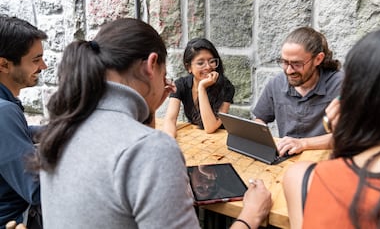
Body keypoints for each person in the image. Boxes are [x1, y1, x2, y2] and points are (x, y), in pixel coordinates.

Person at [35, 18, 271, 229]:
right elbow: (143, 151)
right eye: (163, 73)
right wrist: (250, 216)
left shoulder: (61, 129)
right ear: (151, 64)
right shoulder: (151, 149)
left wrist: (149, 108)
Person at [283, 22, 380, 229]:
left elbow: (342, 183)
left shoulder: (301, 178)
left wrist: (344, 135)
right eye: (284, 62)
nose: (289, 69)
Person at [252, 27, 343, 156]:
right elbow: (259, 119)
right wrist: (264, 139)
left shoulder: (341, 85)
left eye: (297, 64)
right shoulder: (276, 83)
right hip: (286, 159)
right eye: (284, 62)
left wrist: (303, 144)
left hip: (324, 161)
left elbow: (350, 135)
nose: (289, 70)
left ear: (318, 59)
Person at [0, 16, 47, 229]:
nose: (43, 66)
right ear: (4, 64)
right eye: (36, 60)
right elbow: (37, 190)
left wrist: (62, 130)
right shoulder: (4, 113)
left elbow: (18, 134)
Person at [163, 38, 235, 137]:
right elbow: (170, 120)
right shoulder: (181, 85)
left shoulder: (226, 87)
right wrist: (169, 140)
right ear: (188, 67)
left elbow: (210, 127)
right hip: (195, 137)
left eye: (212, 61)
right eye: (200, 63)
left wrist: (202, 88)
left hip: (217, 140)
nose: (208, 67)